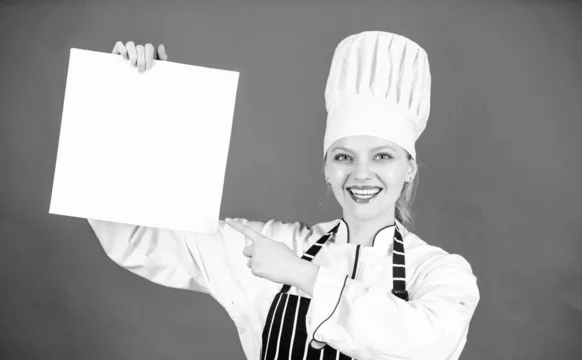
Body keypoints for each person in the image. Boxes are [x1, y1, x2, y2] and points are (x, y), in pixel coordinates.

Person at [90, 31, 480, 360]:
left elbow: (427, 346)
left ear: (408, 168)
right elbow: (139, 235)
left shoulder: (439, 271)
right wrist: (129, 99)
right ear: (327, 168)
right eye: (344, 157)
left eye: (383, 156)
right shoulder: (272, 245)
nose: (362, 174)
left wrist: (301, 274)